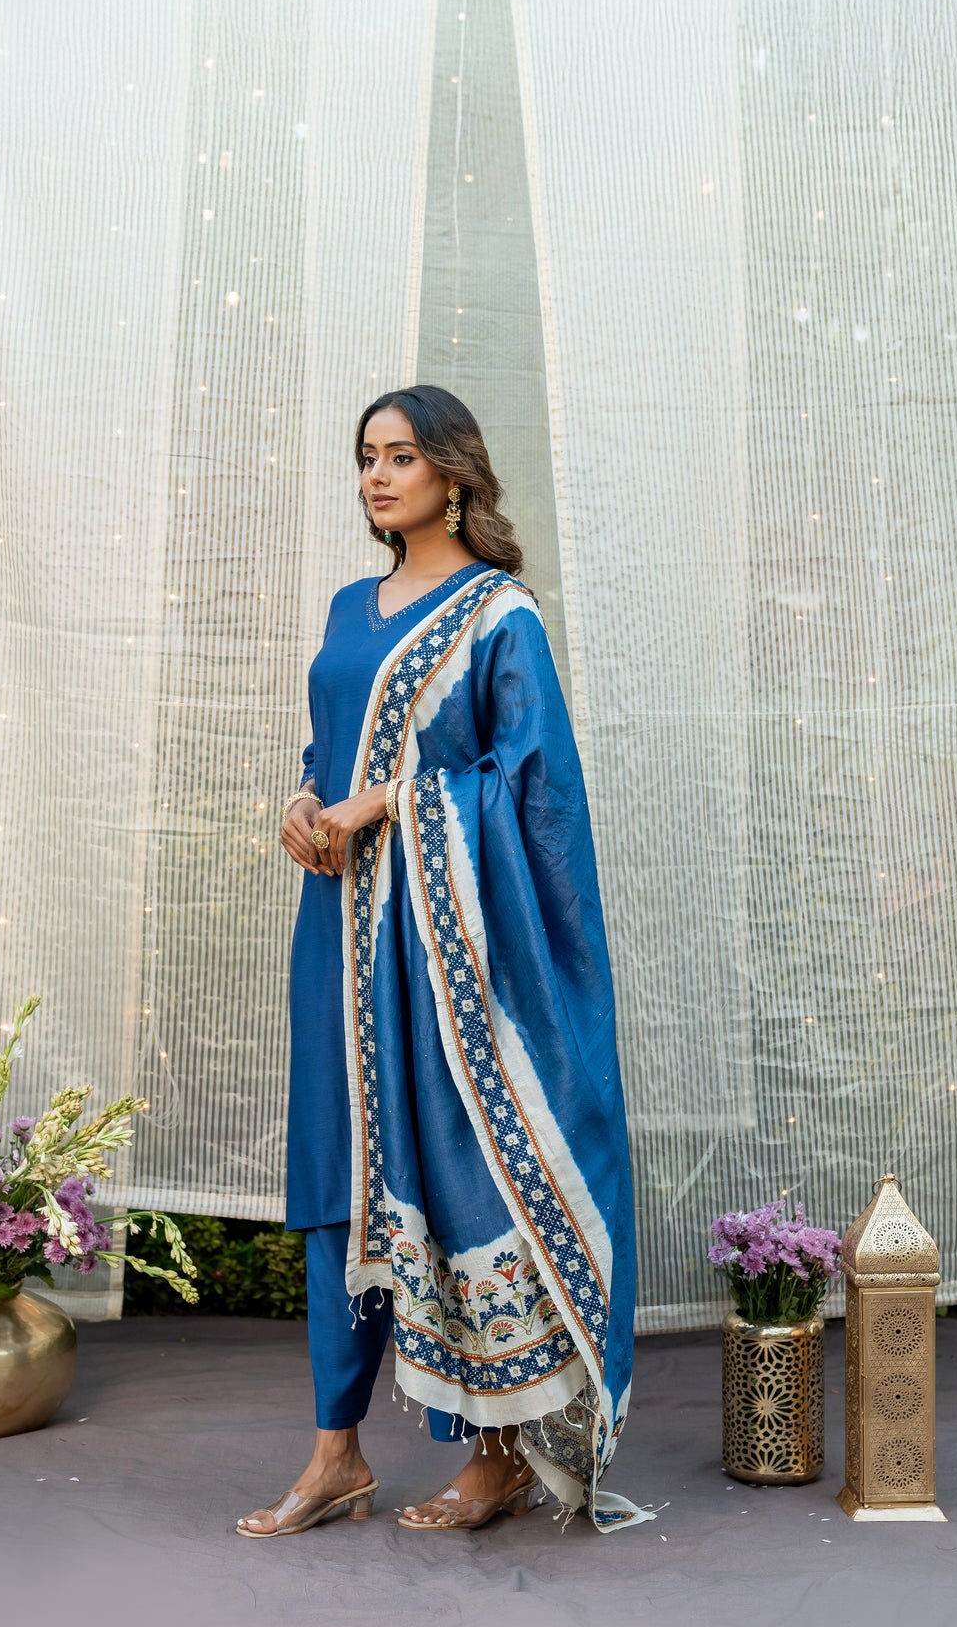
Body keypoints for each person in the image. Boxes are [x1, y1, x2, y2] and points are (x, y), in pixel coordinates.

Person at [236, 385, 648, 1537]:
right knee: (337, 1174)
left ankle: (501, 1450)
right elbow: (329, 748)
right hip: (340, 935)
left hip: (450, 957)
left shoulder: (498, 616)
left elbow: (535, 787)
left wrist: (392, 802)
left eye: (401, 457)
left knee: (463, 1164)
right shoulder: (349, 606)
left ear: (453, 475)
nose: (376, 476)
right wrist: (305, 803)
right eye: (366, 457)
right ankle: (335, 1453)